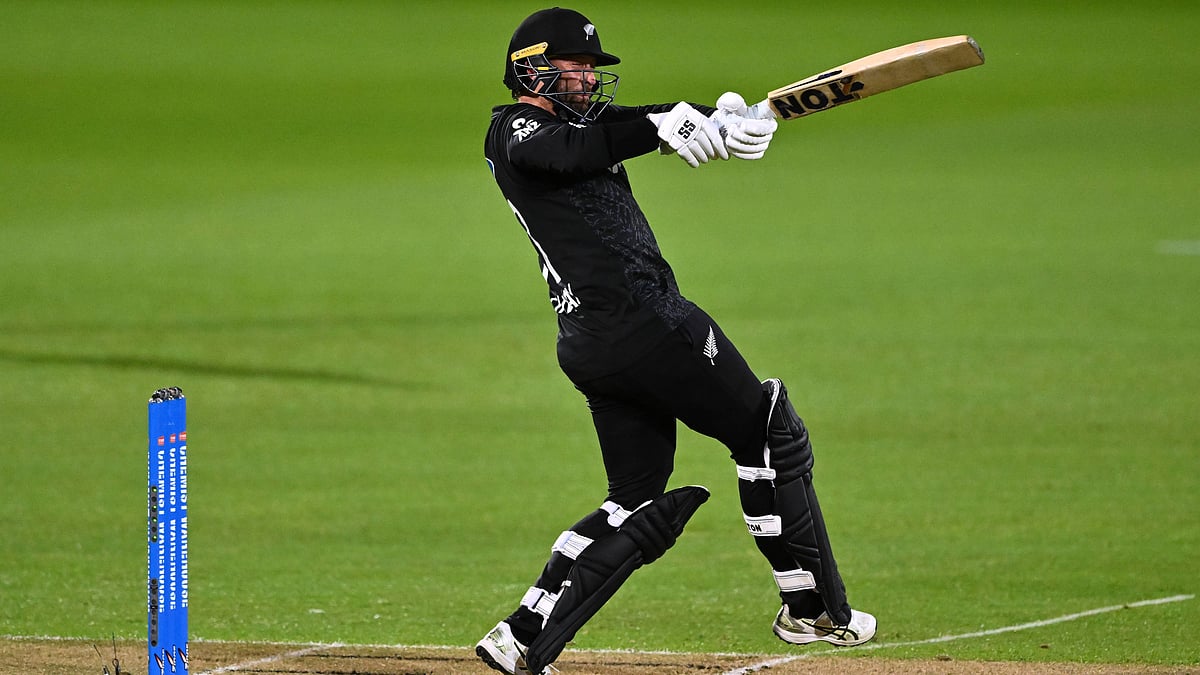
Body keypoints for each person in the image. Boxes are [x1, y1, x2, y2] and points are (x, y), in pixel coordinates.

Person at [477, 8, 876, 674]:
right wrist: (660, 128)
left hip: (593, 343)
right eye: (576, 66)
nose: (588, 78)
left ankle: (522, 632)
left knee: (632, 496)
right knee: (768, 433)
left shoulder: (581, 124)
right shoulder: (516, 129)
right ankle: (812, 609)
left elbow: (640, 120)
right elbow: (567, 151)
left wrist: (726, 119)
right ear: (533, 68)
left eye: (592, 68)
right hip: (649, 323)